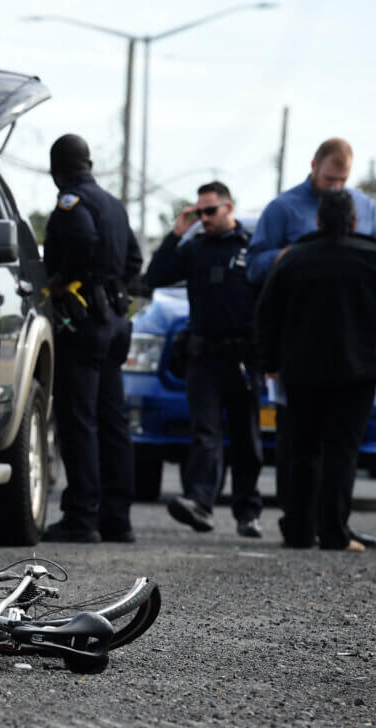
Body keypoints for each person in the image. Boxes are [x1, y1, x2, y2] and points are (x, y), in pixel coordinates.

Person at [254, 190, 376, 551]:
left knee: (302, 449)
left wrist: (268, 363)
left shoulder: (294, 258)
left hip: (300, 371)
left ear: (317, 220)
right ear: (355, 221)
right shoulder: (375, 258)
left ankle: (298, 531)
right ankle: (334, 533)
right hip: (357, 373)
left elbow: (266, 315)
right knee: (341, 451)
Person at [245, 137, 376, 549]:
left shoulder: (366, 208)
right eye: (329, 178)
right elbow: (254, 266)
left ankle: (334, 524)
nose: (335, 188)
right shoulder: (283, 209)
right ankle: (300, 523)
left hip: (351, 350)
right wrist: (288, 258)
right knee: (299, 445)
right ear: (313, 167)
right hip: (301, 351)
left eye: (343, 180)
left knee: (341, 448)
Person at [145, 182, 263, 537]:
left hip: (243, 359)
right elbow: (154, 277)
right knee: (205, 434)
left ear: (229, 208)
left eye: (210, 211)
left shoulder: (251, 249)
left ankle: (248, 512)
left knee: (246, 439)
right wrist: (176, 234)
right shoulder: (194, 248)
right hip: (203, 357)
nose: (204, 218)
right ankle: (201, 503)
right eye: (199, 212)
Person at [41, 134, 142, 543]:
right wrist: (111, 287)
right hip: (115, 322)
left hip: (84, 326)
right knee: (112, 421)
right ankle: (118, 519)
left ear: (57, 169)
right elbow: (134, 259)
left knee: (79, 421)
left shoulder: (71, 202)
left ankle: (82, 517)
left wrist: (62, 282)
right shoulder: (114, 205)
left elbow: (81, 240)